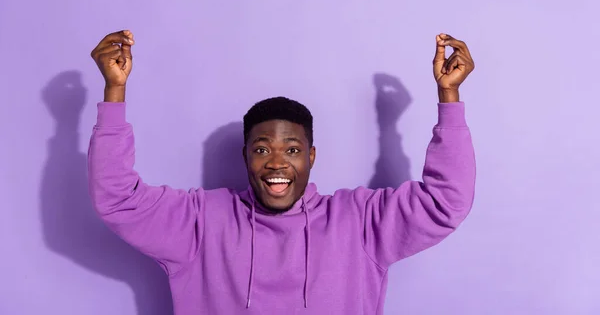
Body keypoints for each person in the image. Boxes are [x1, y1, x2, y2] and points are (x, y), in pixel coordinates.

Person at [88, 30, 476, 314]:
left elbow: (445, 202)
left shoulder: (359, 221)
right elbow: (118, 199)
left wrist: (449, 99)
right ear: (245, 157)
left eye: (291, 150)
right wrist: (114, 92)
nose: (276, 163)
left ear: (311, 156)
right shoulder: (201, 222)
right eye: (262, 149)